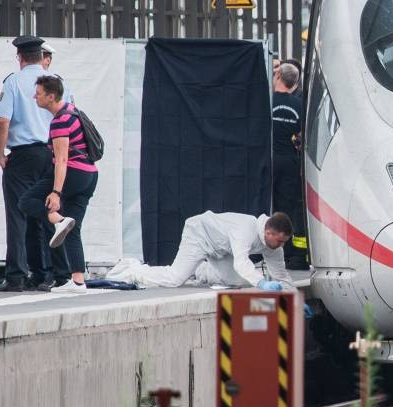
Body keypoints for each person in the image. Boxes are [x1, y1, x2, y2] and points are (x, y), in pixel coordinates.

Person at [19, 75, 97, 293]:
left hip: (73, 172)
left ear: (51, 96)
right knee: (74, 228)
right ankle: (78, 281)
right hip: (90, 175)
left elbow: (62, 159)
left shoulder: (60, 121)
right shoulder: (73, 111)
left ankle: (57, 219)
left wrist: (56, 192)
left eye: (39, 93)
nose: (35, 96)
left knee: (26, 201)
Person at [0, 36, 56, 291]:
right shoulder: (58, 82)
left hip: (22, 157)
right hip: (52, 155)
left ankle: (17, 275)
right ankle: (48, 273)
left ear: (19, 57)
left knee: (18, 217)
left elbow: (2, 122)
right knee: (47, 214)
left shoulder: (13, 82)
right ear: (43, 57)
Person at [107, 212, 292, 290]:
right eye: (280, 241)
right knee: (174, 279)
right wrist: (261, 283)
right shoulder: (246, 229)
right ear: (268, 232)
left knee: (237, 282)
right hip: (199, 234)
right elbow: (241, 262)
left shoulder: (273, 245)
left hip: (222, 249)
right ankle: (133, 269)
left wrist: (296, 302)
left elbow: (281, 275)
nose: (281, 246)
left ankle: (200, 270)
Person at [270, 61, 307, 270]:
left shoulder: (267, 101)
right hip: (290, 163)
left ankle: (265, 248)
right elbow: (302, 137)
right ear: (295, 83)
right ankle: (290, 254)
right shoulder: (298, 105)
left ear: (277, 78)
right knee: (288, 207)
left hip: (268, 160)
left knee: (267, 204)